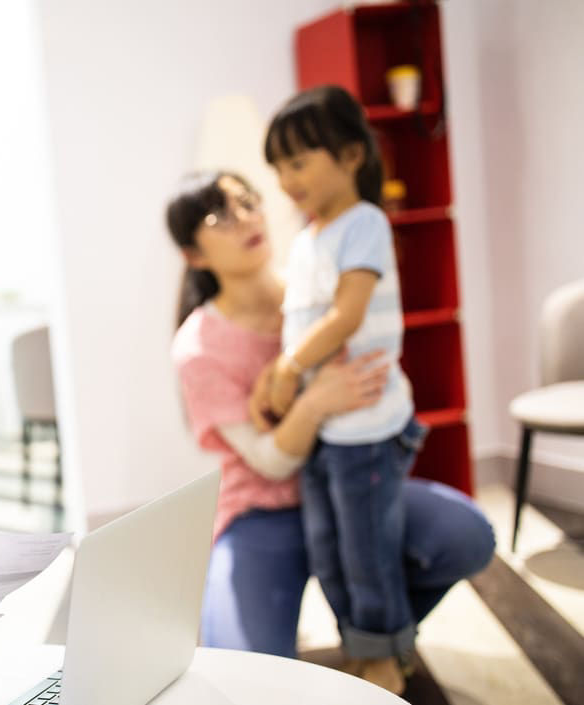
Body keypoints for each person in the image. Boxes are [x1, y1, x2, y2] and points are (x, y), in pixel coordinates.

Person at [167, 170, 494, 688]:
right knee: (246, 673)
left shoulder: (320, 286)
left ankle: (376, 639)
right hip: (264, 513)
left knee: (467, 536)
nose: (247, 218)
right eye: (221, 216)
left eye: (249, 202)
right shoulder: (199, 346)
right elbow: (269, 462)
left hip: (354, 485)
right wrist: (313, 402)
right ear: (193, 254)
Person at [254, 84, 423, 693]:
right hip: (328, 429)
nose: (285, 179)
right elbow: (301, 319)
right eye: (278, 167)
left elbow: (346, 315)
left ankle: (386, 657)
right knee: (327, 551)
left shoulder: (365, 223)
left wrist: (290, 369)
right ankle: (360, 643)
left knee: (368, 553)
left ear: (351, 155)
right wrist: (278, 372)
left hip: (369, 429)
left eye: (298, 162)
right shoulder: (307, 239)